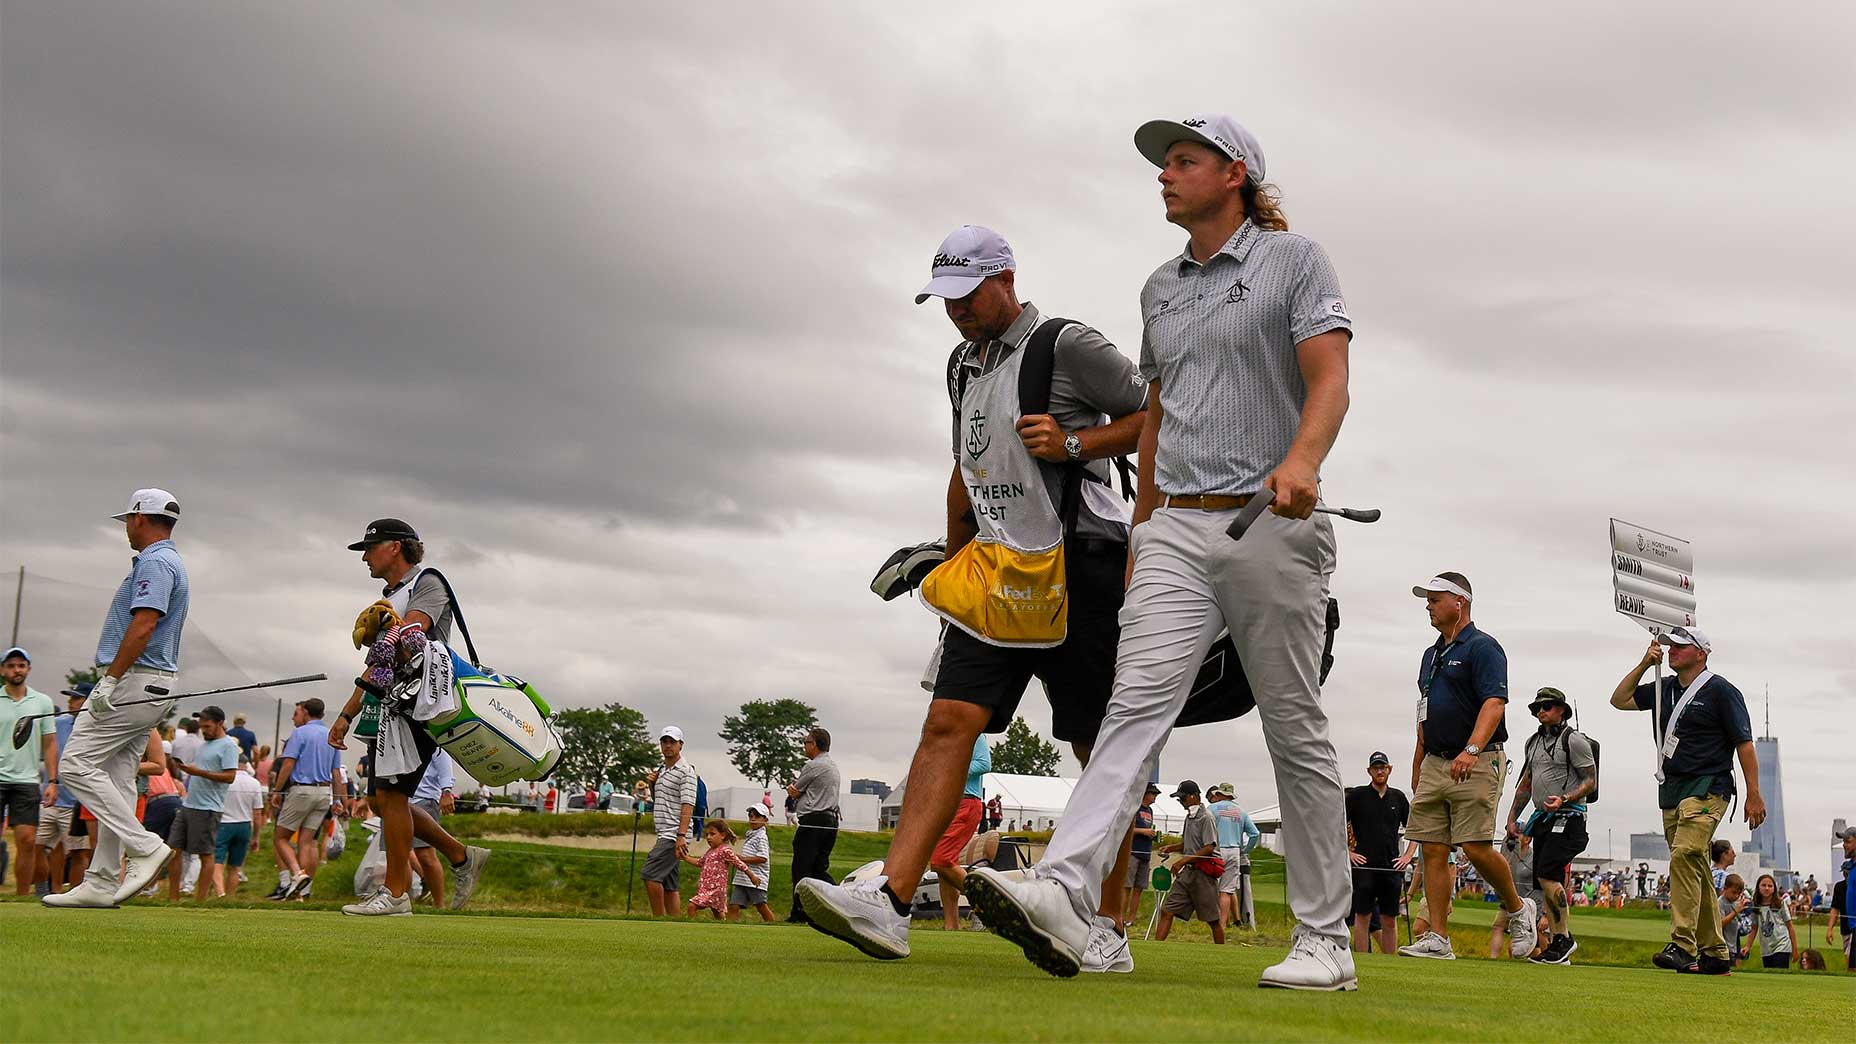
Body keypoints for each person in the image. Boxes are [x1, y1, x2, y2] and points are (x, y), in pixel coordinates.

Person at [959, 113, 1359, 990]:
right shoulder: (1159, 288)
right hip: (1173, 524)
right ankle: (1066, 888)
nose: (1165, 175)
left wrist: (1304, 459)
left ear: (1236, 174)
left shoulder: (1296, 262)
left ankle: (1326, 938)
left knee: (1292, 725)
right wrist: (1142, 529)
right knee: (1131, 706)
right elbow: (1162, 411)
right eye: (1164, 164)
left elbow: (1328, 376)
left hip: (1270, 516)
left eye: (1184, 160)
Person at [797, 223, 1146, 966]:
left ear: (1005, 279)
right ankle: (889, 902)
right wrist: (951, 568)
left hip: (1081, 564)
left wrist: (1080, 443)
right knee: (949, 720)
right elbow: (965, 468)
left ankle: (1106, 926)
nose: (955, 310)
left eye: (967, 294)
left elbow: (1163, 417)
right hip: (994, 571)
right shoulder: (960, 364)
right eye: (944, 299)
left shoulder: (1067, 344)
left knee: (1097, 747)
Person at [327, 519, 490, 916]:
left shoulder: (427, 583)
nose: (365, 556)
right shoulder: (391, 596)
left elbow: (414, 629)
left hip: (421, 705)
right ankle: (459, 855)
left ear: (395, 548)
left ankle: (396, 893)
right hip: (389, 709)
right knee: (379, 800)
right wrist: (346, 715)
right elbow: (375, 668)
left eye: (370, 547)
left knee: (393, 796)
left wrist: (387, 623)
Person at [45, 489, 191, 909]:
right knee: (117, 779)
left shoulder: (156, 562)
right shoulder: (166, 561)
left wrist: (108, 681)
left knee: (74, 766)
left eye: (129, 519)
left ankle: (144, 846)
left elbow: (145, 623)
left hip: (132, 683)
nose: (126, 527)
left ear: (141, 519)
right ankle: (102, 880)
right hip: (146, 684)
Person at [1397, 573, 1537, 961]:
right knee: (1433, 849)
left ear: (1459, 602)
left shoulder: (1483, 648)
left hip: (1477, 758)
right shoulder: (1430, 655)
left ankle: (1517, 908)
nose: (1428, 604)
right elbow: (1425, 714)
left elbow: (1494, 703)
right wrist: (1418, 763)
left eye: (1435, 598)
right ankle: (1438, 938)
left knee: (1474, 847)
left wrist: (1471, 749)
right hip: (1435, 762)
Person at [1609, 625, 1762, 975]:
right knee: (1695, 867)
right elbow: (1619, 699)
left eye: (1680, 646)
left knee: (1684, 853)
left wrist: (1754, 792)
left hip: (1709, 786)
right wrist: (1645, 663)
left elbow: (1744, 743)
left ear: (1702, 653)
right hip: (1673, 790)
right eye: (1670, 645)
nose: (1672, 650)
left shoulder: (1721, 691)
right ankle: (1715, 953)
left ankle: (1682, 944)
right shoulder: (1663, 688)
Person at [1505, 686, 1595, 965]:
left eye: (1547, 707)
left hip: (1569, 817)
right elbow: (1527, 782)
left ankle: (1564, 939)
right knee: (1544, 880)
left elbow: (1591, 780)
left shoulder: (1575, 741)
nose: (1541, 712)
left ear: (1561, 710)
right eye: (1537, 708)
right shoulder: (1532, 742)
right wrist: (1511, 817)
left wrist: (1566, 798)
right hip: (1543, 819)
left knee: (1548, 875)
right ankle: (1558, 945)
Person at [268, 699, 341, 900]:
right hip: (324, 793)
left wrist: (277, 790)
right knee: (307, 842)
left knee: (280, 837)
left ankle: (297, 875)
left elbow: (288, 763)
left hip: (302, 790)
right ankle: (303, 892)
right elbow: (336, 772)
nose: (294, 717)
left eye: (297, 713)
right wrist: (339, 800)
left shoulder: (300, 733)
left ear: (306, 712)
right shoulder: (330, 734)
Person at [165, 705, 238, 902]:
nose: (203, 731)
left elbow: (230, 776)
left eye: (207, 727)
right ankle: (173, 899)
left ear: (220, 724)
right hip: (189, 804)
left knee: (206, 854)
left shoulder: (228, 746)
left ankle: (201, 900)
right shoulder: (204, 745)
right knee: (173, 850)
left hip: (208, 808)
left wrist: (199, 773)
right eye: (201, 727)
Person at [2, 646, 59, 895]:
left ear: (28, 669)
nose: (17, 669)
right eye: (12, 665)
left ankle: (22, 897)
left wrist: (53, 781)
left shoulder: (42, 702)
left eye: (21, 665)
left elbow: (49, 744)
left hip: (27, 780)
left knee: (26, 841)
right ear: (3, 670)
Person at [1344, 753, 1415, 954]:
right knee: (1362, 917)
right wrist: (1348, 852)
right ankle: (1362, 960)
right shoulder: (1357, 796)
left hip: (1391, 866)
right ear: (1369, 771)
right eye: (1375, 768)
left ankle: (1389, 962)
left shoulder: (1398, 797)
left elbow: (1414, 829)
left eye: (1383, 767)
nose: (1379, 771)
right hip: (1364, 865)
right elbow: (1338, 825)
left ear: (1389, 769)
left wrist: (1408, 856)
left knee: (1389, 919)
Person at [927, 735, 992, 931]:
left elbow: (984, 764)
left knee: (941, 860)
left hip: (966, 803)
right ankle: (951, 926)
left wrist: (950, 772)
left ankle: (988, 907)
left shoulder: (976, 734)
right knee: (945, 866)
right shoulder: (947, 736)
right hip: (950, 803)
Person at [1152, 781, 1223, 944]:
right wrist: (1171, 848)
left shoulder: (1206, 818)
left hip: (1204, 875)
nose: (1181, 802)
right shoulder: (1189, 817)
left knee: (1213, 920)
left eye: (1182, 798)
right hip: (1187, 874)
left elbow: (1209, 847)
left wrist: (1182, 861)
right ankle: (1155, 948)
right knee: (1167, 911)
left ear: (1193, 796)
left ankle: (1222, 954)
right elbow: (1188, 842)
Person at [38, 686, 92, 894]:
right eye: (70, 698)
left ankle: (72, 894)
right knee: (37, 845)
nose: (71, 702)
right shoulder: (57, 723)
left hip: (78, 800)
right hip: (52, 797)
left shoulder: (96, 727)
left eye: (76, 698)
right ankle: (45, 890)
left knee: (78, 852)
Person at [641, 725, 698, 916]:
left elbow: (688, 805)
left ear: (680, 745)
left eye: (672, 742)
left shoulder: (686, 771)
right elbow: (661, 800)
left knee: (650, 875)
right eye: (664, 742)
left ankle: (658, 919)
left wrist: (681, 835)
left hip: (674, 833)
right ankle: (675, 922)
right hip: (665, 831)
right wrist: (652, 784)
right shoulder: (663, 770)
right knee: (669, 883)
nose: (667, 745)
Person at [786, 726, 840, 923]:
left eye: (806, 742)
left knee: (801, 867)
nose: (804, 746)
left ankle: (800, 913)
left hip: (813, 821)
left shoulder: (813, 766)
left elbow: (795, 791)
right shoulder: (833, 765)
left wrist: (792, 789)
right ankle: (840, 901)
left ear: (815, 745)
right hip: (831, 821)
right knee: (819, 868)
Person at [1206, 783, 1261, 930]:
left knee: (1212, 888)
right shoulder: (1241, 811)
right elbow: (1255, 834)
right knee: (1226, 891)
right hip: (1235, 852)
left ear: (1219, 794)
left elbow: (1204, 827)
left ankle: (1212, 922)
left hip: (1216, 851)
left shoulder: (1211, 809)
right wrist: (1245, 850)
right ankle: (1222, 926)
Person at [409, 749, 460, 907]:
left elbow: (443, 759)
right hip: (396, 798)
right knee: (398, 854)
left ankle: (439, 905)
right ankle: (399, 899)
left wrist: (446, 790)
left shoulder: (429, 732)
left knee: (425, 855)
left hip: (424, 798)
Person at [680, 820, 759, 919]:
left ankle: (691, 930)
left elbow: (739, 863)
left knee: (692, 906)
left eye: (712, 834)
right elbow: (700, 862)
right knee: (718, 914)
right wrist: (685, 858)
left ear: (722, 835)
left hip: (716, 890)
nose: (708, 837)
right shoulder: (710, 851)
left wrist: (752, 876)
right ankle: (723, 929)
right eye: (707, 834)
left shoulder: (725, 850)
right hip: (706, 888)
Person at [212, 756, 266, 896]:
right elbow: (258, 813)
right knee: (235, 867)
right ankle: (230, 897)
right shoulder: (254, 783)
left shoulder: (225, 780)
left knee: (217, 862)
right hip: (244, 825)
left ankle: (220, 893)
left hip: (224, 823)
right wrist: (256, 837)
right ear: (245, 765)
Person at [1121, 784, 1160, 932]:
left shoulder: (1149, 810)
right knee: (1127, 887)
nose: (1155, 797)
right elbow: (1126, 829)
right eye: (1153, 794)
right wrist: (1143, 831)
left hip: (1145, 853)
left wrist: (1151, 835)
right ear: (1145, 794)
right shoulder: (1135, 808)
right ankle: (1121, 917)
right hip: (1132, 852)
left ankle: (1131, 919)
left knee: (1139, 888)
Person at [728, 802, 776, 923]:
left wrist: (742, 859)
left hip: (756, 879)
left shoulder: (761, 837)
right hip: (742, 878)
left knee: (761, 906)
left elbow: (762, 858)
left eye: (757, 816)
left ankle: (773, 927)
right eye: (751, 816)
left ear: (765, 820)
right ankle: (729, 930)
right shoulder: (751, 835)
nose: (753, 819)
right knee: (734, 906)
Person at [1748, 873, 1794, 969]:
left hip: (1782, 944)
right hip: (1766, 948)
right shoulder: (1756, 905)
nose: (1767, 888)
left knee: (1780, 973)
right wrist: (1748, 946)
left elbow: (1790, 926)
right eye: (1763, 885)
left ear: (1774, 888)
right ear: (1758, 887)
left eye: (1770, 886)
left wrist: (1795, 948)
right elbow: (1754, 928)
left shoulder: (1780, 903)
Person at [1717, 874, 1750, 965]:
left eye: (1739, 894)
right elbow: (1720, 924)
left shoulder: (1735, 902)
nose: (1736, 896)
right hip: (1723, 946)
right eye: (1734, 892)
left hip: (1733, 944)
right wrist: (1735, 912)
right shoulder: (1720, 903)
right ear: (1725, 888)